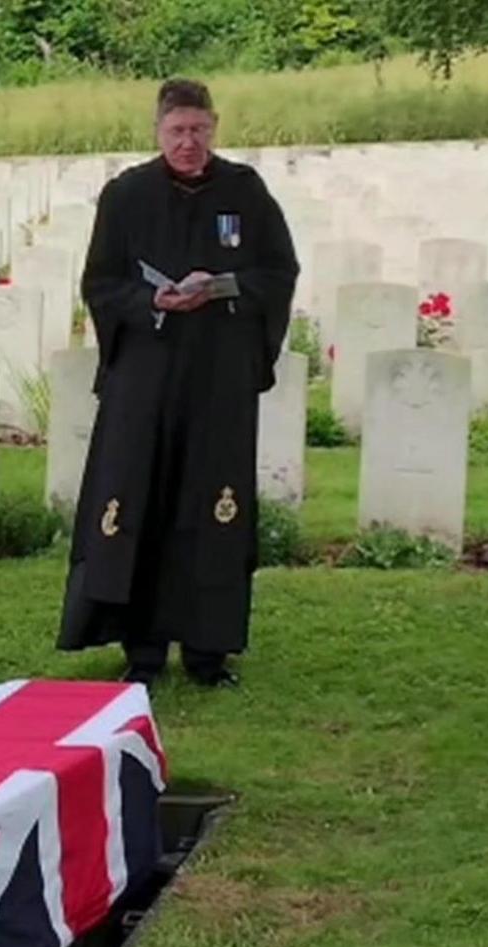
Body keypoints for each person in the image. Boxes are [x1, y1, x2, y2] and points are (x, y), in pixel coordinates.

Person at [56, 78, 299, 688]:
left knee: (211, 503)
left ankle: (208, 651)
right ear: (158, 131)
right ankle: (142, 650)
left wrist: (221, 285)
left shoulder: (245, 193)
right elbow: (102, 283)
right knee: (140, 496)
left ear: (214, 127)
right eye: (177, 132)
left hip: (217, 378)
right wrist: (153, 300)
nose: (188, 143)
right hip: (147, 375)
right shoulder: (127, 196)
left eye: (199, 130)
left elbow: (278, 270)